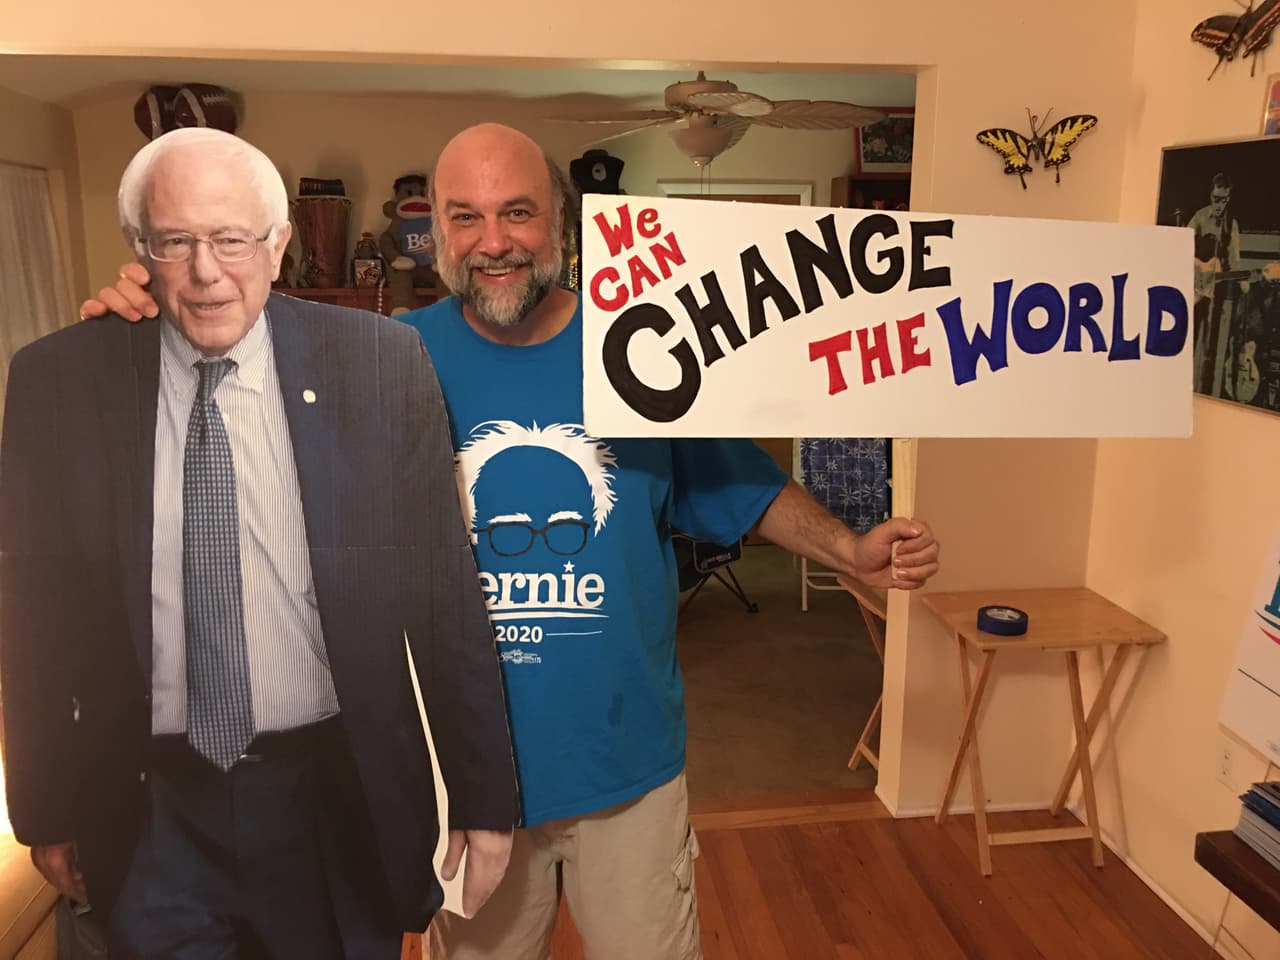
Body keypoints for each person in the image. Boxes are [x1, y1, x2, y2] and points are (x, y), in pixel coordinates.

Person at [83, 122, 941, 960]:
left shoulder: (639, 351)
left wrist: (849, 549)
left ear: (561, 224)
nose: (494, 241)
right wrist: (153, 341)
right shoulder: (380, 359)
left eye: (518, 212)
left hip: (627, 772)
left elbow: (740, 484)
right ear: (436, 235)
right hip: (467, 778)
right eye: (466, 216)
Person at [3, 127, 518, 959]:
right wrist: (44, 807)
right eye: (176, 242)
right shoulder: (61, 380)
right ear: (141, 248)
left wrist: (484, 797)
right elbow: (33, 616)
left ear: (278, 244)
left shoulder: (381, 363)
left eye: (232, 239)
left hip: (329, 796)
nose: (208, 271)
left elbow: (445, 594)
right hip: (146, 807)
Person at [1188, 172, 1246, 395]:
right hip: (1194, 289)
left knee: (1211, 343)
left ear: (1229, 198)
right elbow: (1180, 245)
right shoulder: (1200, 217)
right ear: (1210, 195)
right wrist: (1195, 268)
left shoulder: (1231, 224)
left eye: (1223, 200)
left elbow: (1234, 259)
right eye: (1215, 199)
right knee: (1189, 337)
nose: (1219, 204)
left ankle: (1203, 388)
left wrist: (1244, 282)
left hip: (1216, 292)